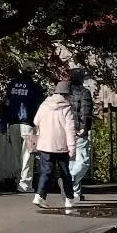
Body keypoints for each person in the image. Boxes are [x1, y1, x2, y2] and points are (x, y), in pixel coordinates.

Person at [30, 70, 80, 214]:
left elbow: (35, 121)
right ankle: (69, 200)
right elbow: (70, 130)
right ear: (66, 94)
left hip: (45, 145)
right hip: (61, 146)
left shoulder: (44, 105)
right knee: (65, 174)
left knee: (46, 171)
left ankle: (39, 196)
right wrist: (72, 149)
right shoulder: (66, 109)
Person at [0, 70, 44, 191]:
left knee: (16, 154)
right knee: (28, 154)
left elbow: (5, 104)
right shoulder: (34, 87)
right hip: (28, 124)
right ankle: (25, 184)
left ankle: (17, 179)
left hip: (13, 123)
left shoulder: (12, 85)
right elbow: (38, 106)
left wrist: (3, 123)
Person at [68, 65, 95, 198]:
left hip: (66, 130)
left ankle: (75, 192)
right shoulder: (84, 92)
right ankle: (71, 180)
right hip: (79, 130)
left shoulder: (65, 93)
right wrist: (84, 127)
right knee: (83, 160)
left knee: (72, 160)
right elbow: (86, 111)